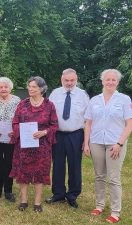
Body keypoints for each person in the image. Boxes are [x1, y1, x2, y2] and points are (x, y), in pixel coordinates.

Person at [83, 69, 132, 224]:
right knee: (99, 176)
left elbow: (129, 124)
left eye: (113, 80)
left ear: (117, 82)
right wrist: (86, 143)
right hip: (96, 142)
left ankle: (115, 212)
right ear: (102, 81)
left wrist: (119, 143)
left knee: (113, 178)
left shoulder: (124, 100)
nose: (110, 82)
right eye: (107, 79)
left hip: (114, 143)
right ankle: (99, 205)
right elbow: (88, 123)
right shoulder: (94, 100)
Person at [9, 76, 58, 213]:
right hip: (24, 146)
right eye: (29, 86)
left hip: (42, 147)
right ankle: (24, 201)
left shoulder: (49, 105)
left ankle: (37, 203)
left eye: (34, 87)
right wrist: (21, 131)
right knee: (23, 173)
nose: (30, 89)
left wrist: (44, 132)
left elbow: (54, 125)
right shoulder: (22, 104)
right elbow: (15, 122)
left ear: (41, 89)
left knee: (40, 174)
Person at [46, 69, 89, 208]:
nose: (69, 83)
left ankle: (72, 195)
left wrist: (86, 141)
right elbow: (48, 113)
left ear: (76, 80)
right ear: (61, 80)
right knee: (57, 164)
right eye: (66, 80)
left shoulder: (83, 95)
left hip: (76, 134)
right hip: (57, 134)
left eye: (72, 80)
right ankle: (58, 194)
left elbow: (89, 119)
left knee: (74, 166)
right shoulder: (55, 94)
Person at [0, 77, 21, 202]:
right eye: (1, 87)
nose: (3, 89)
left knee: (9, 165)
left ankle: (8, 191)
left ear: (10, 88)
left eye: (6, 87)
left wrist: (16, 130)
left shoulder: (17, 100)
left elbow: (21, 118)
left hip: (10, 139)